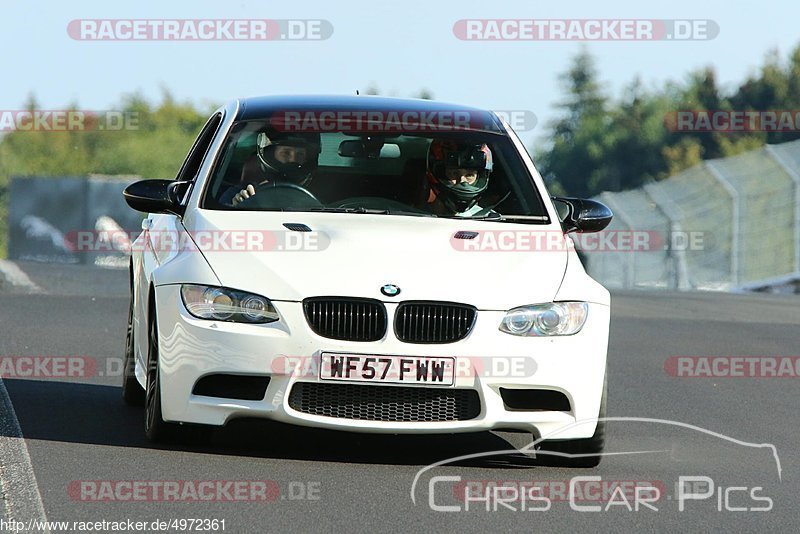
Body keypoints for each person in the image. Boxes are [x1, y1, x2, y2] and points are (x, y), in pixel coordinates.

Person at [228, 131, 320, 206]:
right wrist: (238, 207)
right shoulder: (240, 194)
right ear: (271, 155)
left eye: (300, 155)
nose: (293, 160)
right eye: (285, 153)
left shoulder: (321, 196)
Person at [423, 139, 494, 217]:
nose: (462, 181)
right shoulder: (414, 217)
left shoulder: (490, 218)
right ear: (439, 174)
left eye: (469, 175)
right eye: (454, 173)